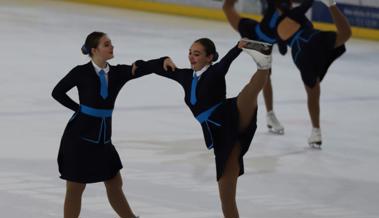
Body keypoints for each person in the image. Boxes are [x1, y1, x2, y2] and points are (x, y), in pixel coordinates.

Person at [142, 38, 272, 218]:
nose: (191, 57)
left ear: (209, 57)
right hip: (221, 136)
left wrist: (238, 47)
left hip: (230, 114)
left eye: (196, 54)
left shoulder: (215, 72)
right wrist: (160, 60)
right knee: (226, 197)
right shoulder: (185, 76)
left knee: (249, 93)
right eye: (190, 53)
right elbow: (158, 70)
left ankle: (264, 64)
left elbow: (226, 62)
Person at [51, 31, 154, 218]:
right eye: (106, 44)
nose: (112, 47)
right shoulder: (80, 72)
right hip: (79, 138)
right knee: (75, 187)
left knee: (114, 183)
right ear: (94, 50)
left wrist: (162, 60)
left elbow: (141, 68)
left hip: (103, 139)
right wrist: (79, 109)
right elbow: (57, 92)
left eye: (111, 43)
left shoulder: (117, 73)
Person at [273, 0, 351, 148]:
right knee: (346, 34)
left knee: (313, 93)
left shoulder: (277, 28)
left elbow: (282, 51)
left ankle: (316, 131)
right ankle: (331, 4)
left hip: (300, 55)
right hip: (312, 40)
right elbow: (308, 3)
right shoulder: (295, 13)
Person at [223, 0, 285, 134]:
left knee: (266, 76)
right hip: (251, 29)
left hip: (264, 44)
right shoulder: (278, 6)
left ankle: (270, 115)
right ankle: (270, 115)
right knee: (227, 6)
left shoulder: (290, 12)